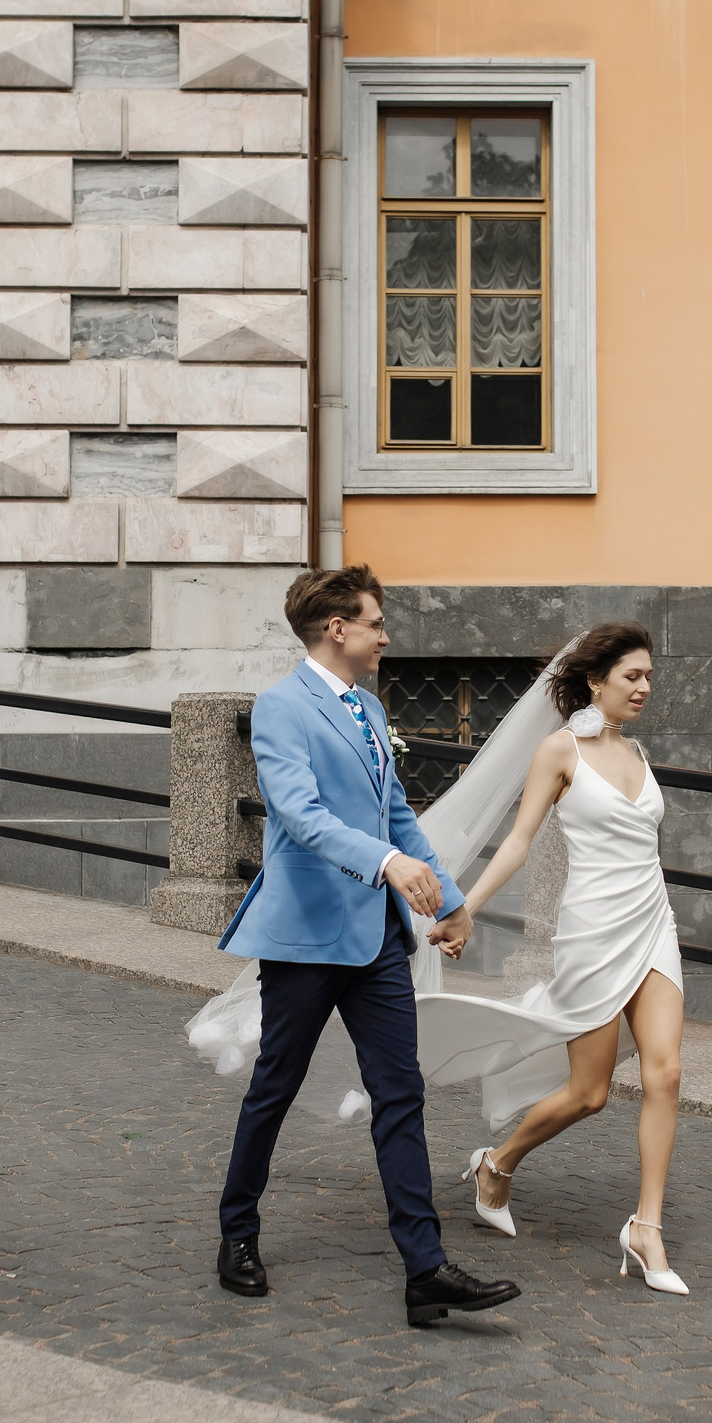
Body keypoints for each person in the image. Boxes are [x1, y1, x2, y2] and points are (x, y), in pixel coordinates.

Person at [209, 565, 524, 1329]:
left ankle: (425, 1271)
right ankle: (237, 1231)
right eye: (376, 621)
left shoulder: (371, 708)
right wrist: (387, 863)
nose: (386, 634)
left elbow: (395, 813)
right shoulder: (282, 708)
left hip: (378, 937)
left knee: (401, 1092)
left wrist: (448, 899)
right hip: (308, 935)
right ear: (336, 629)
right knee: (275, 1084)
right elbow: (299, 814)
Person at [424, 623, 689, 1295]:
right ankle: (498, 1162)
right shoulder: (559, 749)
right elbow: (517, 842)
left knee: (667, 1072)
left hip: (652, 922)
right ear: (595, 679)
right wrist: (466, 906)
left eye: (649, 676)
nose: (645, 687)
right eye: (633, 675)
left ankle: (646, 1227)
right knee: (589, 1093)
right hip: (592, 934)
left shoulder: (636, 752)